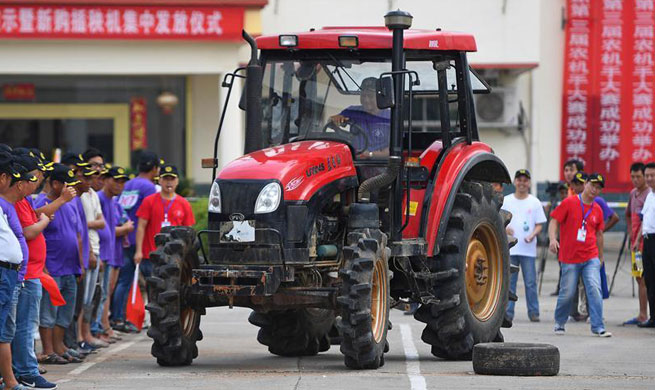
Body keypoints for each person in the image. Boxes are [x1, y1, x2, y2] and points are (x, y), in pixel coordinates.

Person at [11, 154, 59, 389]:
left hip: (32, 272)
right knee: (24, 326)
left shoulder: (24, 200)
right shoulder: (15, 201)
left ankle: (21, 370)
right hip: (25, 274)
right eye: (35, 175)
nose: (39, 180)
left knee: (23, 325)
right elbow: (29, 231)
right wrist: (44, 220)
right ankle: (26, 371)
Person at [548, 173, 611, 337]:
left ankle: (598, 326)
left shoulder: (597, 208)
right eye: (592, 185)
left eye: (598, 188)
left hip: (591, 256)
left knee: (594, 289)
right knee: (567, 292)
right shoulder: (569, 202)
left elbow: (599, 234)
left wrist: (601, 256)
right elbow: (554, 220)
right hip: (569, 257)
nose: (594, 190)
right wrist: (553, 239)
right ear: (586, 184)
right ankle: (560, 322)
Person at [35, 164, 85, 364]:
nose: (71, 189)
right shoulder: (42, 202)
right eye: (67, 184)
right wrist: (43, 266)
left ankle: (59, 346)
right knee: (48, 311)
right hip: (52, 267)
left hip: (70, 267)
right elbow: (36, 230)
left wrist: (79, 264)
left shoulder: (71, 203)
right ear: (55, 184)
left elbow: (76, 235)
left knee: (65, 311)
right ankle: (48, 350)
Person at [113, 151, 159, 332]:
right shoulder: (149, 188)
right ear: (155, 169)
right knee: (152, 281)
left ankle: (118, 318)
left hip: (124, 239)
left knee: (123, 281)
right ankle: (154, 319)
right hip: (142, 243)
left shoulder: (127, 184)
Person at [502, 169, 547, 322]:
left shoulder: (534, 202)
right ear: (514, 182)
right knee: (510, 282)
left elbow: (540, 224)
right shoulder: (506, 200)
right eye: (519, 180)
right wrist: (505, 228)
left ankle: (534, 312)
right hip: (510, 248)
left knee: (530, 282)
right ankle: (507, 313)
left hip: (528, 249)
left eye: (525, 180)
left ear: (529, 183)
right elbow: (498, 219)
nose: (522, 183)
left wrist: (533, 234)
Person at [0, 153, 28, 390]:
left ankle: (9, 381)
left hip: (10, 273)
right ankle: (10, 381)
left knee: (5, 329)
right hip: (3, 272)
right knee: (2, 330)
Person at [134, 164, 195, 267]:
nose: (169, 182)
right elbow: (141, 226)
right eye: (166, 179)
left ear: (177, 181)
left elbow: (188, 232)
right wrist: (138, 251)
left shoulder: (184, 203)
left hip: (175, 257)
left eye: (172, 179)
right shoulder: (149, 201)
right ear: (159, 180)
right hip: (151, 255)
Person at [77, 165, 107, 351]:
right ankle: (80, 336)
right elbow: (80, 228)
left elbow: (101, 222)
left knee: (90, 297)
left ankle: (86, 334)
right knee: (82, 298)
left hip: (95, 248)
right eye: (87, 177)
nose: (91, 181)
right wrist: (88, 253)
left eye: (93, 177)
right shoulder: (78, 196)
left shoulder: (93, 194)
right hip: (87, 250)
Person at [329, 77, 390, 159]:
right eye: (363, 95)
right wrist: (335, 120)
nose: (366, 100)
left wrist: (370, 154)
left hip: (380, 164)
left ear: (379, 97)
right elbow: (332, 121)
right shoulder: (352, 110)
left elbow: (394, 149)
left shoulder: (390, 117)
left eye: (370, 96)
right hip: (355, 161)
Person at [623, 162, 650, 325]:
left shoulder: (650, 194)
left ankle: (644, 314)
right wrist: (630, 233)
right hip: (635, 244)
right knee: (639, 278)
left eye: (638, 177)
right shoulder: (633, 193)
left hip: (646, 242)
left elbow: (646, 220)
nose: (635, 180)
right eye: (632, 177)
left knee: (646, 279)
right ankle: (642, 314)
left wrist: (639, 237)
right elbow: (627, 214)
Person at [634, 162, 655, 328]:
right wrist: (637, 240)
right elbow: (644, 221)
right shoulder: (649, 196)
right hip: (647, 241)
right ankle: (653, 317)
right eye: (647, 175)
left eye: (652, 175)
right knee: (649, 279)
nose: (649, 178)